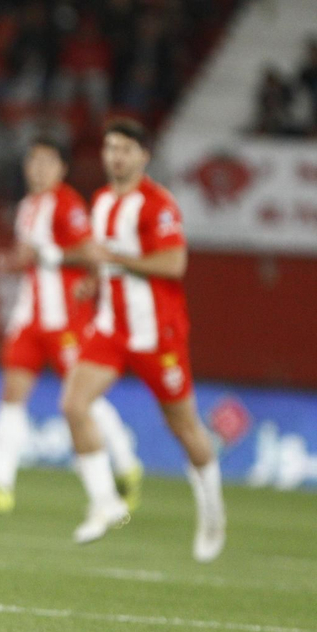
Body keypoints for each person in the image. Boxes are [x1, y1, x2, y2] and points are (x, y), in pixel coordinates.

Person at [59, 118, 226, 561]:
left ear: (143, 156)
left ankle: (212, 512)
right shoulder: (100, 201)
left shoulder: (157, 204)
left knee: (184, 427)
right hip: (112, 329)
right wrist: (92, 281)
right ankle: (105, 503)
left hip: (159, 336)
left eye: (126, 149)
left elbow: (174, 264)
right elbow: (101, 257)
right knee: (74, 406)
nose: (116, 156)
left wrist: (113, 257)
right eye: (111, 147)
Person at [0, 137, 141, 514]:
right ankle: (0, 487)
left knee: (83, 400)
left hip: (66, 323)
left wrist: (71, 267)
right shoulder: (27, 207)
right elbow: (30, 257)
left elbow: (89, 252)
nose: (38, 169)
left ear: (61, 168)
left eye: (46, 162)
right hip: (29, 318)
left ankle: (126, 463)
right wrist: (12, 261)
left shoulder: (68, 204)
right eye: (33, 162)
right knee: (11, 396)